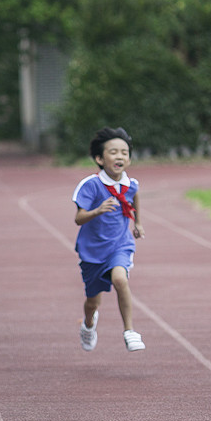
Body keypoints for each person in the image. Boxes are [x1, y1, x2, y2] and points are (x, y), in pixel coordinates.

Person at [73, 126, 145, 352]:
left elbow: (135, 198)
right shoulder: (91, 185)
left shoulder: (130, 184)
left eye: (124, 152)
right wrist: (98, 210)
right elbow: (78, 218)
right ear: (99, 158)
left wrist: (138, 223)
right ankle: (88, 325)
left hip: (120, 245)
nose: (120, 156)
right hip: (92, 252)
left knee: (120, 279)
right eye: (113, 152)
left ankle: (130, 331)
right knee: (92, 302)